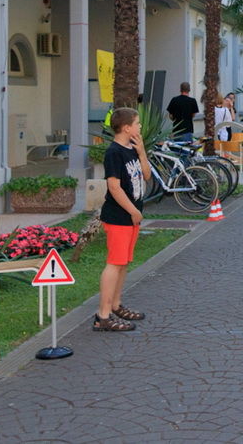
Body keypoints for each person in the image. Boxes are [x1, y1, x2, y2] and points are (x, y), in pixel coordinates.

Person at [94, 107, 151, 332]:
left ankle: (115, 305)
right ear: (126, 127)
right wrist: (132, 211)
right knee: (114, 263)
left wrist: (142, 152)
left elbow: (146, 175)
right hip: (119, 216)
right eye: (137, 123)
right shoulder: (113, 152)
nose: (139, 127)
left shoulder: (132, 150)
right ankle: (103, 315)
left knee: (123, 263)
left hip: (131, 217)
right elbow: (114, 186)